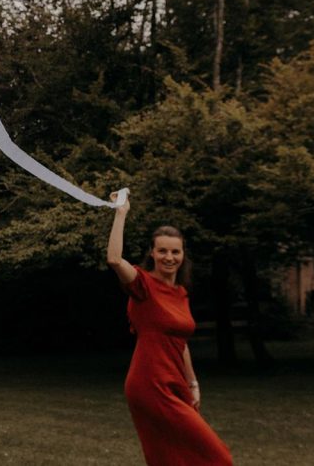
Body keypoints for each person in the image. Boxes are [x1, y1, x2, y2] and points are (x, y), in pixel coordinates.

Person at [106, 195, 233, 465]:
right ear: (152, 253)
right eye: (162, 250)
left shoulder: (181, 293)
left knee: (171, 459)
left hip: (174, 381)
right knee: (218, 457)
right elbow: (115, 260)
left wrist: (193, 383)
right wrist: (121, 213)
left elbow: (181, 342)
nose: (169, 257)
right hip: (149, 383)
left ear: (183, 255)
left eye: (175, 251)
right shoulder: (143, 286)